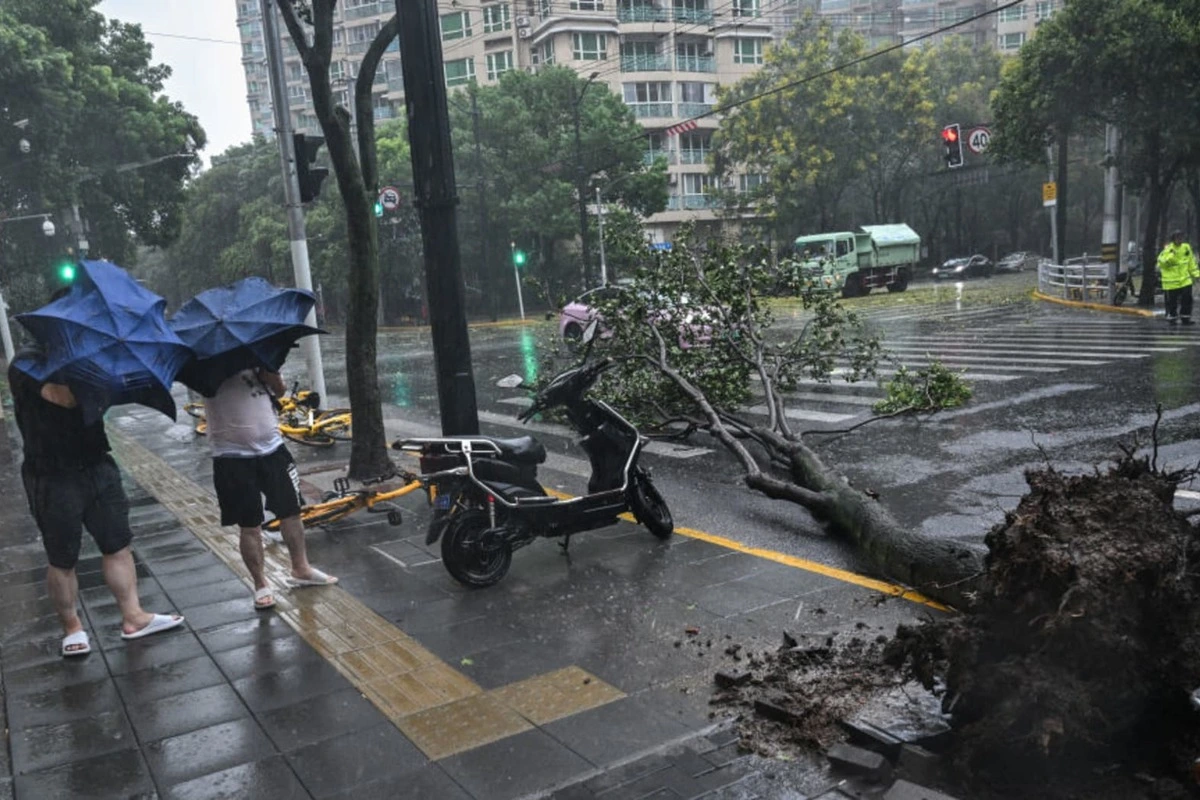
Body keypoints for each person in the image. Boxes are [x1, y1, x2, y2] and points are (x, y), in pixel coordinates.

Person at [8, 341, 185, 658]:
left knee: (117, 544)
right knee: (63, 558)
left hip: (97, 466)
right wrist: (99, 375)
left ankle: (133, 617)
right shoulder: (27, 363)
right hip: (51, 476)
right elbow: (63, 397)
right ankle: (72, 627)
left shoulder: (92, 359)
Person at [204, 367, 336, 610]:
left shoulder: (259, 355)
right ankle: (260, 583)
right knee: (249, 523)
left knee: (291, 511)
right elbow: (207, 388)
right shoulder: (206, 364)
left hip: (273, 449)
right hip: (231, 456)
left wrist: (267, 372)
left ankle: (301, 568)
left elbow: (280, 389)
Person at [1157, 229, 1199, 326]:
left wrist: (1196, 275)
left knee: (1187, 299)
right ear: (1173, 239)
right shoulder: (1168, 249)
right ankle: (1172, 318)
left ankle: (1185, 318)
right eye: (1177, 237)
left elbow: (1191, 262)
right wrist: (1171, 256)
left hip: (1185, 280)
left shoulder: (1186, 248)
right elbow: (1161, 263)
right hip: (1171, 282)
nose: (1180, 239)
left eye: (1181, 237)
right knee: (1172, 302)